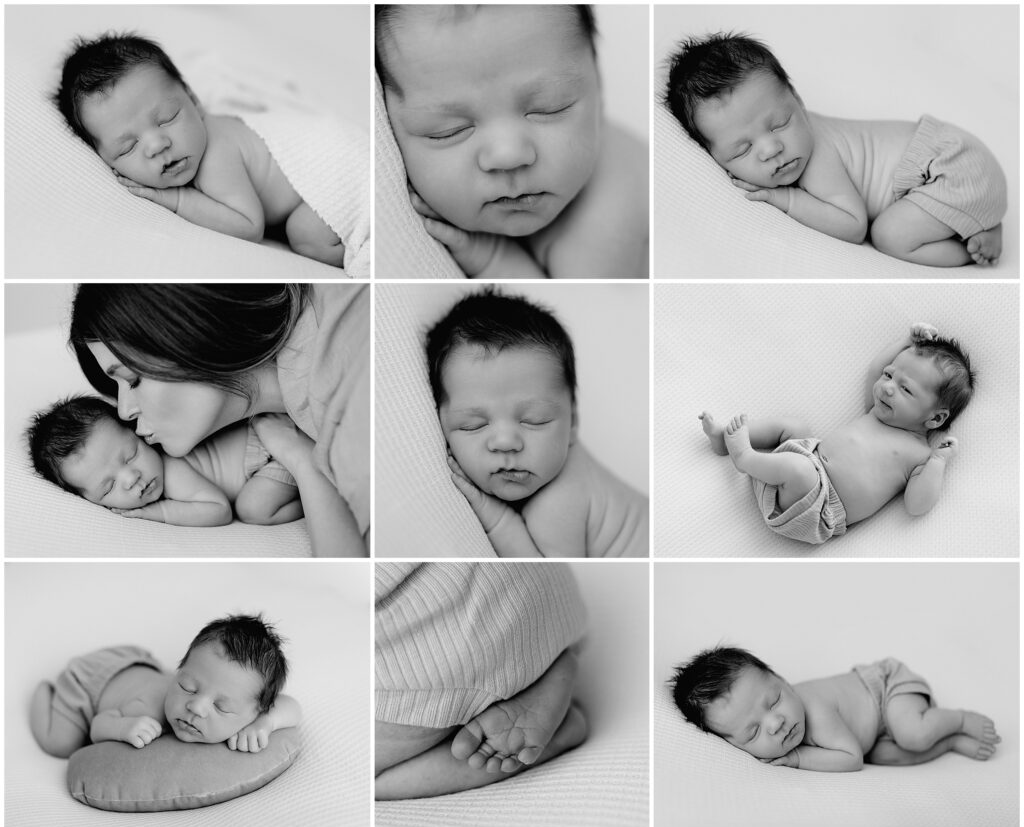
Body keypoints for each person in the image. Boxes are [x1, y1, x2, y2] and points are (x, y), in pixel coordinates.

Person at [69, 283, 369, 557]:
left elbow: (352, 576)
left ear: (186, 333)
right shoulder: (308, 379)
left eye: (132, 379)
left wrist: (304, 463)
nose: (123, 411)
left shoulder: (337, 389)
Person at [665, 33, 1006, 267]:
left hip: (950, 168)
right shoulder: (786, 142)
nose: (771, 148)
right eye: (742, 149)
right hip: (953, 167)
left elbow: (854, 226)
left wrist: (786, 200)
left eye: (780, 123)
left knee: (890, 236)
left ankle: (971, 245)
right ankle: (970, 218)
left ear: (798, 101)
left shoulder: (817, 154)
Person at [376, 4, 648, 278]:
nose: (508, 155)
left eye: (548, 108)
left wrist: (494, 259)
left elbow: (581, 313)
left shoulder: (607, 213)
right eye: (448, 131)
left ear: (599, 85)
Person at [56, 32, 345, 265]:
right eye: (128, 147)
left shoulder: (216, 154)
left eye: (168, 118)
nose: (157, 144)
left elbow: (248, 226)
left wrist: (179, 200)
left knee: (305, 234)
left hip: (326, 182)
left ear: (194, 100)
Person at [699, 323, 972, 544]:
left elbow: (917, 505)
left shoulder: (920, 456)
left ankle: (745, 458)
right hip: (802, 460)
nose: (887, 388)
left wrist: (939, 461)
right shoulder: (876, 411)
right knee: (795, 427)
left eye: (906, 389)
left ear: (935, 418)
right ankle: (723, 440)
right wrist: (906, 342)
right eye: (890, 376)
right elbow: (874, 369)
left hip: (815, 509)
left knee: (801, 470)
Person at [427, 289, 648, 557]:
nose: (506, 442)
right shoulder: (554, 463)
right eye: (473, 425)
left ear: (572, 423)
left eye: (535, 421)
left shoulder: (555, 505)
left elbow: (546, 577)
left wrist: (496, 519)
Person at [375, 562, 587, 799]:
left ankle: (558, 736)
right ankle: (551, 661)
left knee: (362, 774)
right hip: (546, 590)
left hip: (450, 651)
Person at [670, 647, 1000, 770]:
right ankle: (951, 742)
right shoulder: (781, 718)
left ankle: (959, 719)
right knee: (887, 758)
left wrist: (798, 758)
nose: (776, 724)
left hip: (887, 689)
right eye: (753, 732)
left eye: (774, 701)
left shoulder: (815, 711)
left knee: (912, 735)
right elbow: (863, 753)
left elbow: (852, 759)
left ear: (783, 680)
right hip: (870, 735)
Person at [30, 614, 302, 757]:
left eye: (221, 706)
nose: (195, 706)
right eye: (187, 686)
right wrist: (124, 727)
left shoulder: (250, 707)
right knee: (62, 746)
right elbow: (99, 725)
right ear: (179, 671)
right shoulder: (148, 710)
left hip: (137, 669)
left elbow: (292, 707)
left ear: (255, 711)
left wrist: (265, 724)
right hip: (89, 683)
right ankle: (44, 691)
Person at [28, 395, 302, 526]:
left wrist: (155, 513)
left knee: (253, 509)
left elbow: (218, 510)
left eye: (131, 454)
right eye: (108, 487)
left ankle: (311, 499)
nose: (131, 477)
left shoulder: (171, 468)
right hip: (266, 455)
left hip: (271, 452)